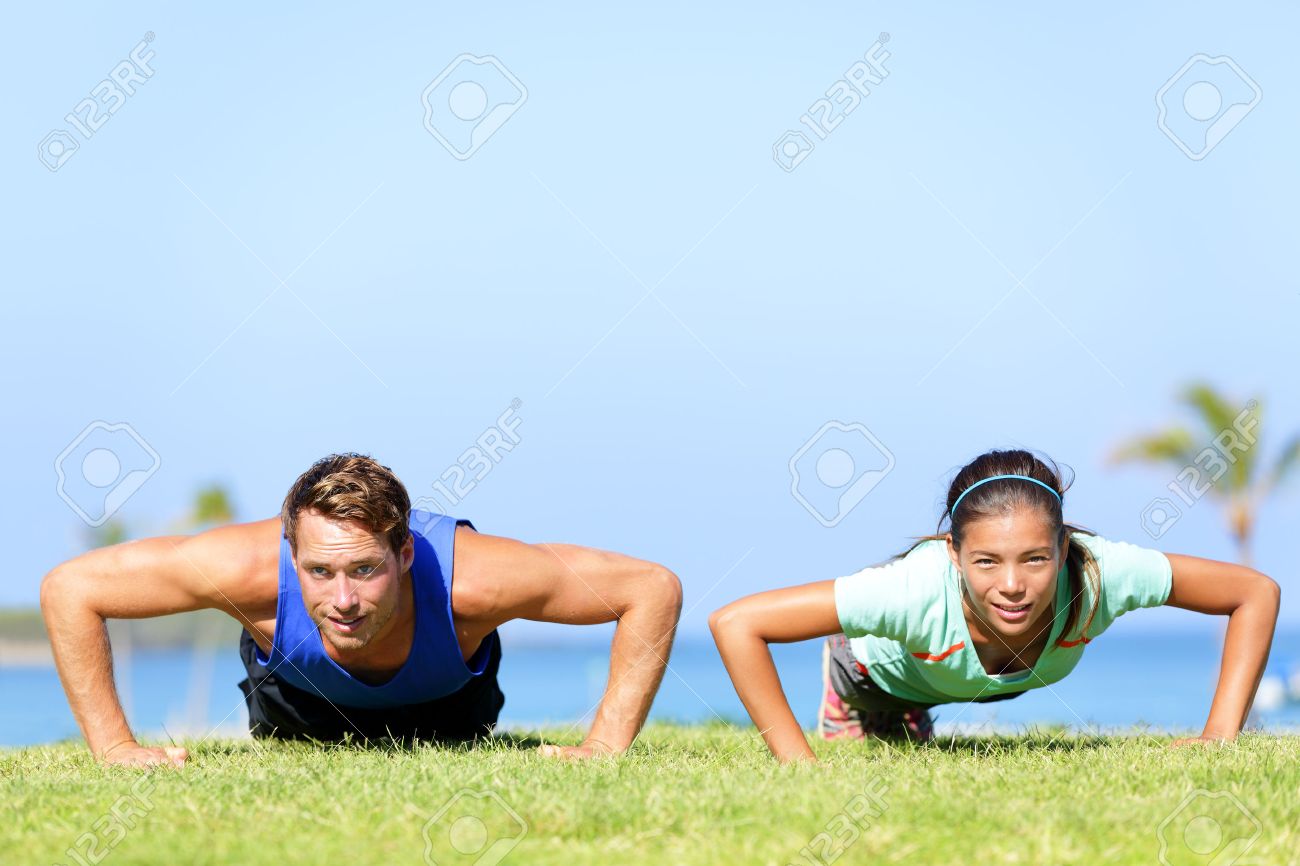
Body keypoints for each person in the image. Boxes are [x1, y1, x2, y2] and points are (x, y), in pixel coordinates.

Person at [40, 453, 682, 768]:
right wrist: (115, 747)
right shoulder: (244, 570)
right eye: (319, 572)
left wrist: (604, 745)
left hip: (446, 715)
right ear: (292, 556)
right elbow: (72, 589)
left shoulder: (475, 581)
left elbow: (650, 588)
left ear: (404, 553)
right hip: (296, 706)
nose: (342, 600)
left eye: (365, 570)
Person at [709, 449, 1280, 764]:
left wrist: (1220, 733)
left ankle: (909, 713)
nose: (1013, 585)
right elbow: (736, 623)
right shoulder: (908, 591)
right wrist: (796, 763)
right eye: (987, 562)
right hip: (869, 671)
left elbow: (1254, 592)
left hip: (946, 675)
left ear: (1064, 547)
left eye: (1035, 558)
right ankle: (865, 707)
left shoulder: (1103, 574)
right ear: (954, 553)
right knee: (882, 724)